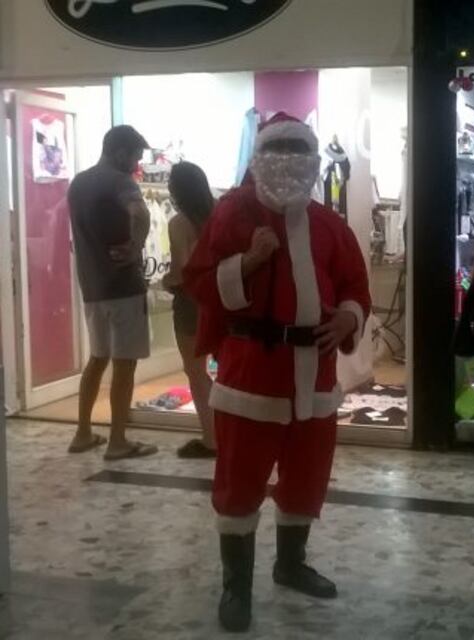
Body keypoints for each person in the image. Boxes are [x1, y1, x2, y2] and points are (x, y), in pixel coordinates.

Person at [182, 113, 371, 633]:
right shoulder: (231, 214)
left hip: (315, 379)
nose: (287, 159)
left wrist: (348, 316)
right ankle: (234, 588)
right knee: (239, 484)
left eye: (297, 149)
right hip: (251, 377)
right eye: (277, 149)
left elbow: (356, 284)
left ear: (313, 161)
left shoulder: (331, 225)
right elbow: (197, 280)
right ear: (259, 157)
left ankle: (290, 565)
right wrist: (246, 261)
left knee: (306, 479)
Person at [67, 125, 158, 461]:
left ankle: (82, 433)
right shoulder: (120, 182)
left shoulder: (79, 182)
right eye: (135, 155)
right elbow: (142, 213)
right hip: (122, 287)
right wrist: (135, 247)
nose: (136, 163)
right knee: (124, 365)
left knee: (97, 358)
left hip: (92, 287)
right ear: (120, 151)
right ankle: (118, 440)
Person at [161, 162, 217, 458]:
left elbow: (182, 272)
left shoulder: (178, 224)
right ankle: (234, 432)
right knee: (231, 370)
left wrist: (165, 281)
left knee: (196, 373)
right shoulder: (221, 213)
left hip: (191, 304)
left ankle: (211, 439)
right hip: (223, 298)